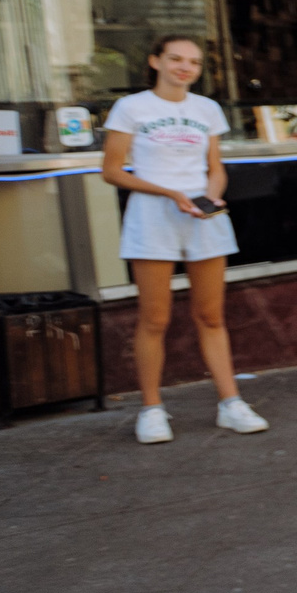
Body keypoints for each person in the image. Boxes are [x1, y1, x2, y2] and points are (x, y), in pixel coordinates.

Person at [100, 34, 267, 442]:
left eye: (192, 62)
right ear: (156, 61)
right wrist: (170, 193)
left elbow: (215, 166)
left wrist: (211, 194)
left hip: (202, 217)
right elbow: (112, 170)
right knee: (154, 318)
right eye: (175, 59)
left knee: (211, 316)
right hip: (153, 217)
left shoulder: (206, 109)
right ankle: (152, 409)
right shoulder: (131, 107)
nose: (184, 67)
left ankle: (231, 403)